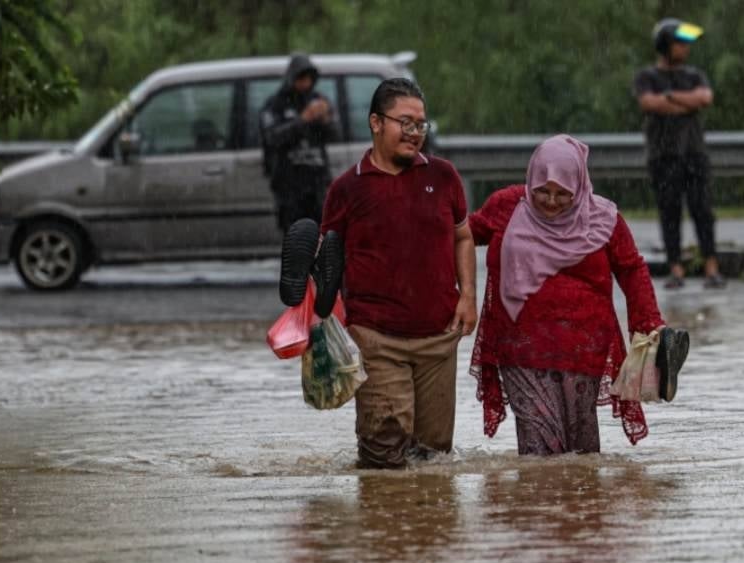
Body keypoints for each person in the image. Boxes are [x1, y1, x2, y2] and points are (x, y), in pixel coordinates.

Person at [468, 134, 687, 455]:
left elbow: (631, 269)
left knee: (579, 445)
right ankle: (537, 505)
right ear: (530, 183)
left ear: (580, 187)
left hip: (582, 347)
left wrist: (649, 324)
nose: (552, 201)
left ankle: (581, 503)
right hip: (521, 347)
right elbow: (462, 234)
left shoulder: (603, 218)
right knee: (538, 441)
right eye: (543, 191)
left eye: (563, 194)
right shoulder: (507, 206)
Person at [320, 78, 477, 469]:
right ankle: (383, 528)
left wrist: (468, 296)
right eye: (404, 123)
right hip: (375, 338)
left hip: (439, 337)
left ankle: (424, 527)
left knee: (433, 458)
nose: (415, 134)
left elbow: (463, 236)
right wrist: (323, 324)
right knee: (382, 455)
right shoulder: (347, 189)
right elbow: (327, 263)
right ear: (376, 122)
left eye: (421, 125)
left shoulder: (443, 177)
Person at [634, 18, 726, 289]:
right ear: (665, 45)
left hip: (694, 153)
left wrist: (671, 98)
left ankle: (711, 267)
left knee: (703, 210)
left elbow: (705, 98)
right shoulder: (647, 77)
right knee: (669, 211)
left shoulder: (694, 74)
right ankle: (676, 269)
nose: (685, 48)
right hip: (663, 155)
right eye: (679, 43)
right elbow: (650, 103)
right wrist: (688, 102)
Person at [259, 53, 339, 232]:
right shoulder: (275, 105)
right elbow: (272, 137)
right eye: (301, 78)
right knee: (296, 241)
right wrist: (302, 120)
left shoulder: (318, 99)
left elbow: (335, 134)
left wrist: (325, 120)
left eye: (309, 79)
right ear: (291, 78)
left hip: (317, 183)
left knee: (323, 238)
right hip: (289, 185)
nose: (306, 83)